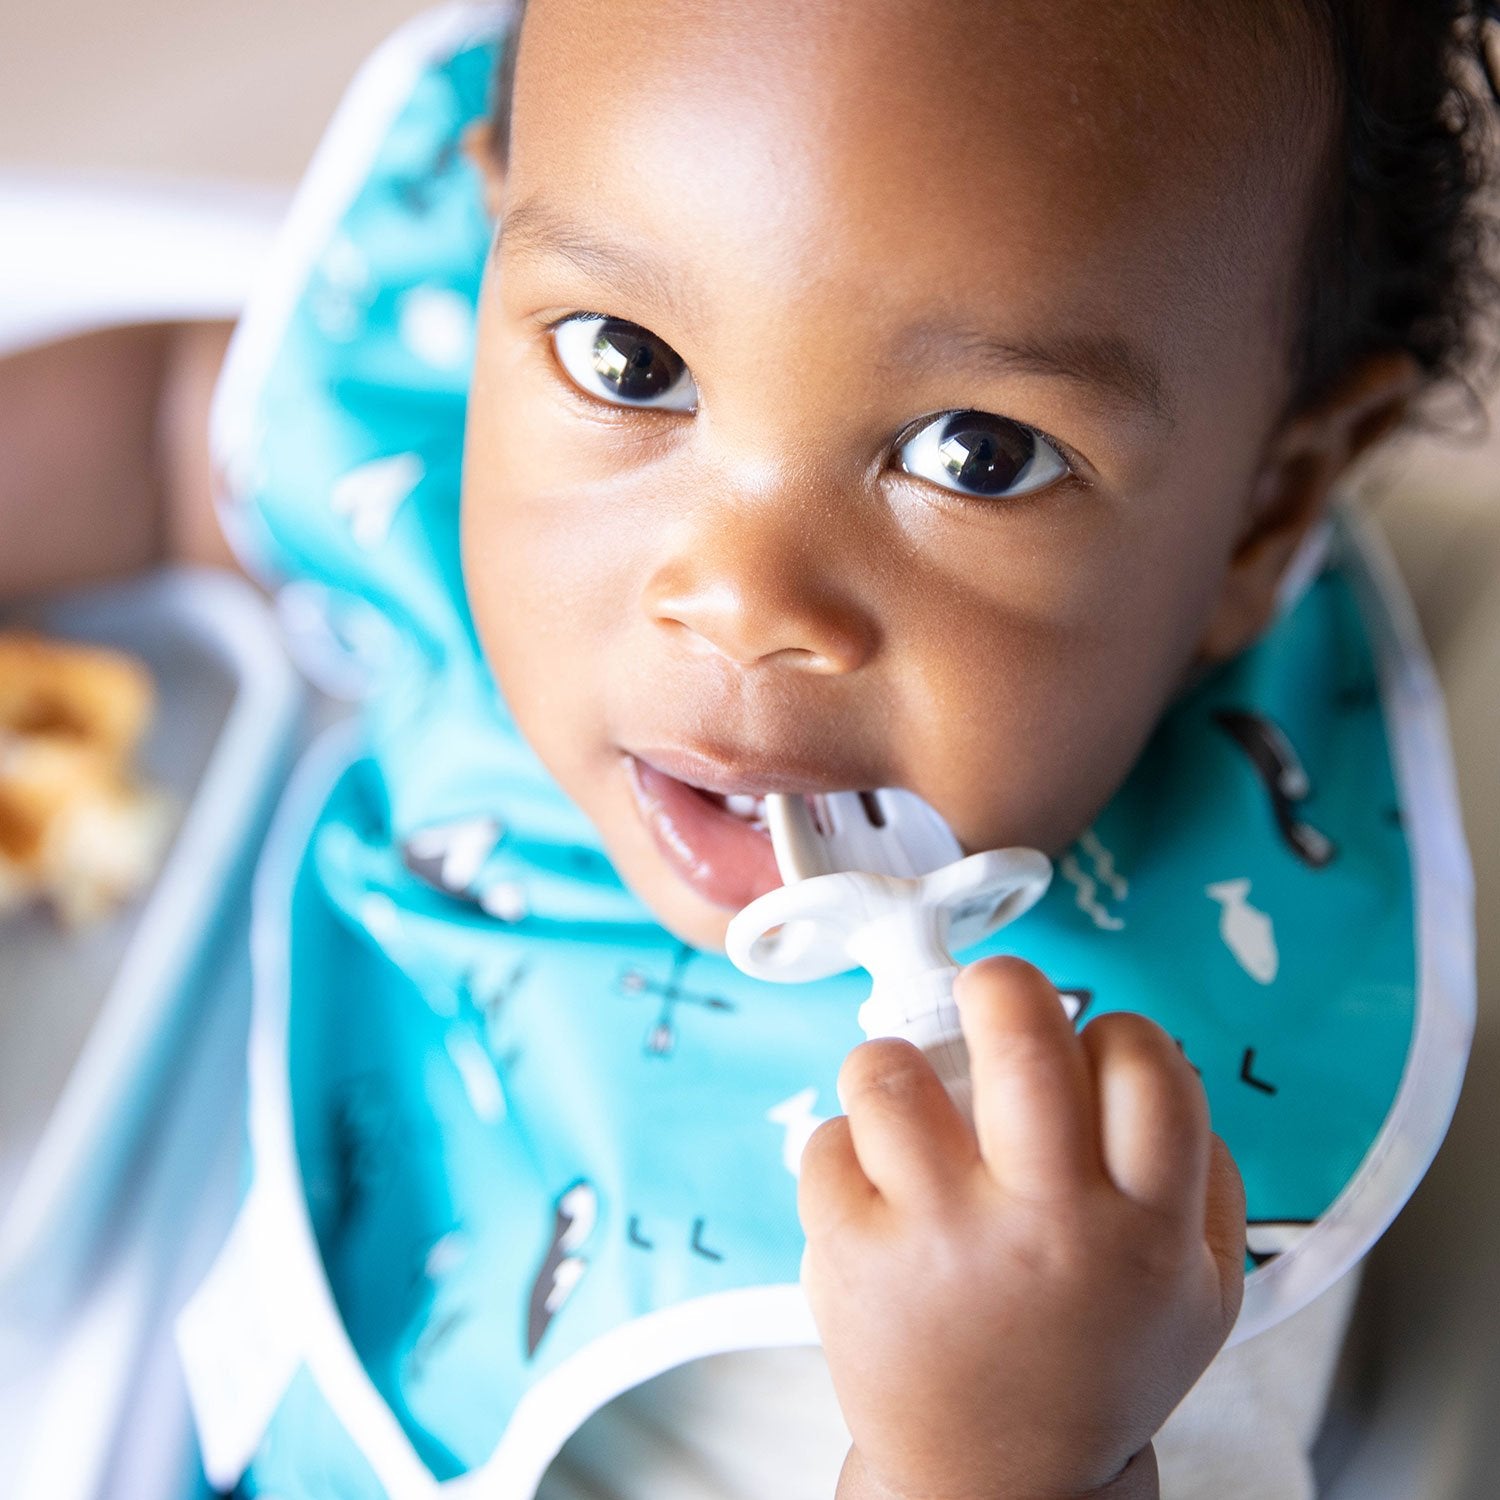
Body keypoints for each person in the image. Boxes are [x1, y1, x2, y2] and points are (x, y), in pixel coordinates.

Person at [6, 1, 1495, 1497]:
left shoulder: (1104, 1208)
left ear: (1263, 505)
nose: (737, 598)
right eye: (629, 360)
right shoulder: (509, 467)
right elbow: (175, 431)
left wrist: (1002, 1448)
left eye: (975, 455)